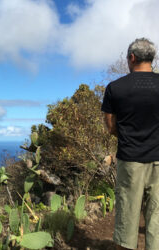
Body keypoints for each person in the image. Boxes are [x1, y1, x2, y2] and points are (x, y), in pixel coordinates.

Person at [102, 38, 159, 250]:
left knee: (127, 220)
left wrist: (127, 134)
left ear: (132, 58)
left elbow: (110, 125)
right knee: (157, 220)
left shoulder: (115, 88)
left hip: (130, 161)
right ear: (151, 58)